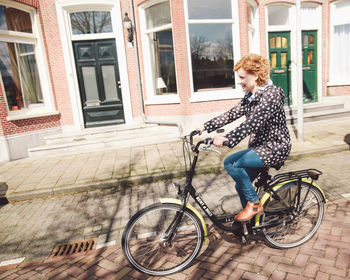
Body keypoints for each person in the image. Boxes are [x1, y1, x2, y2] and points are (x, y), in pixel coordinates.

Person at [199, 53, 291, 222]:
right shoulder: (250, 97)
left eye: (242, 77)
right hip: (260, 148)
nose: (239, 81)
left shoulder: (272, 94)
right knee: (240, 182)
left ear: (256, 76)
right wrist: (206, 126)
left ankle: (254, 205)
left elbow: (254, 122)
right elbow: (231, 114)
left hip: (275, 147)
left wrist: (227, 138)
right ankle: (247, 225)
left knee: (233, 163)